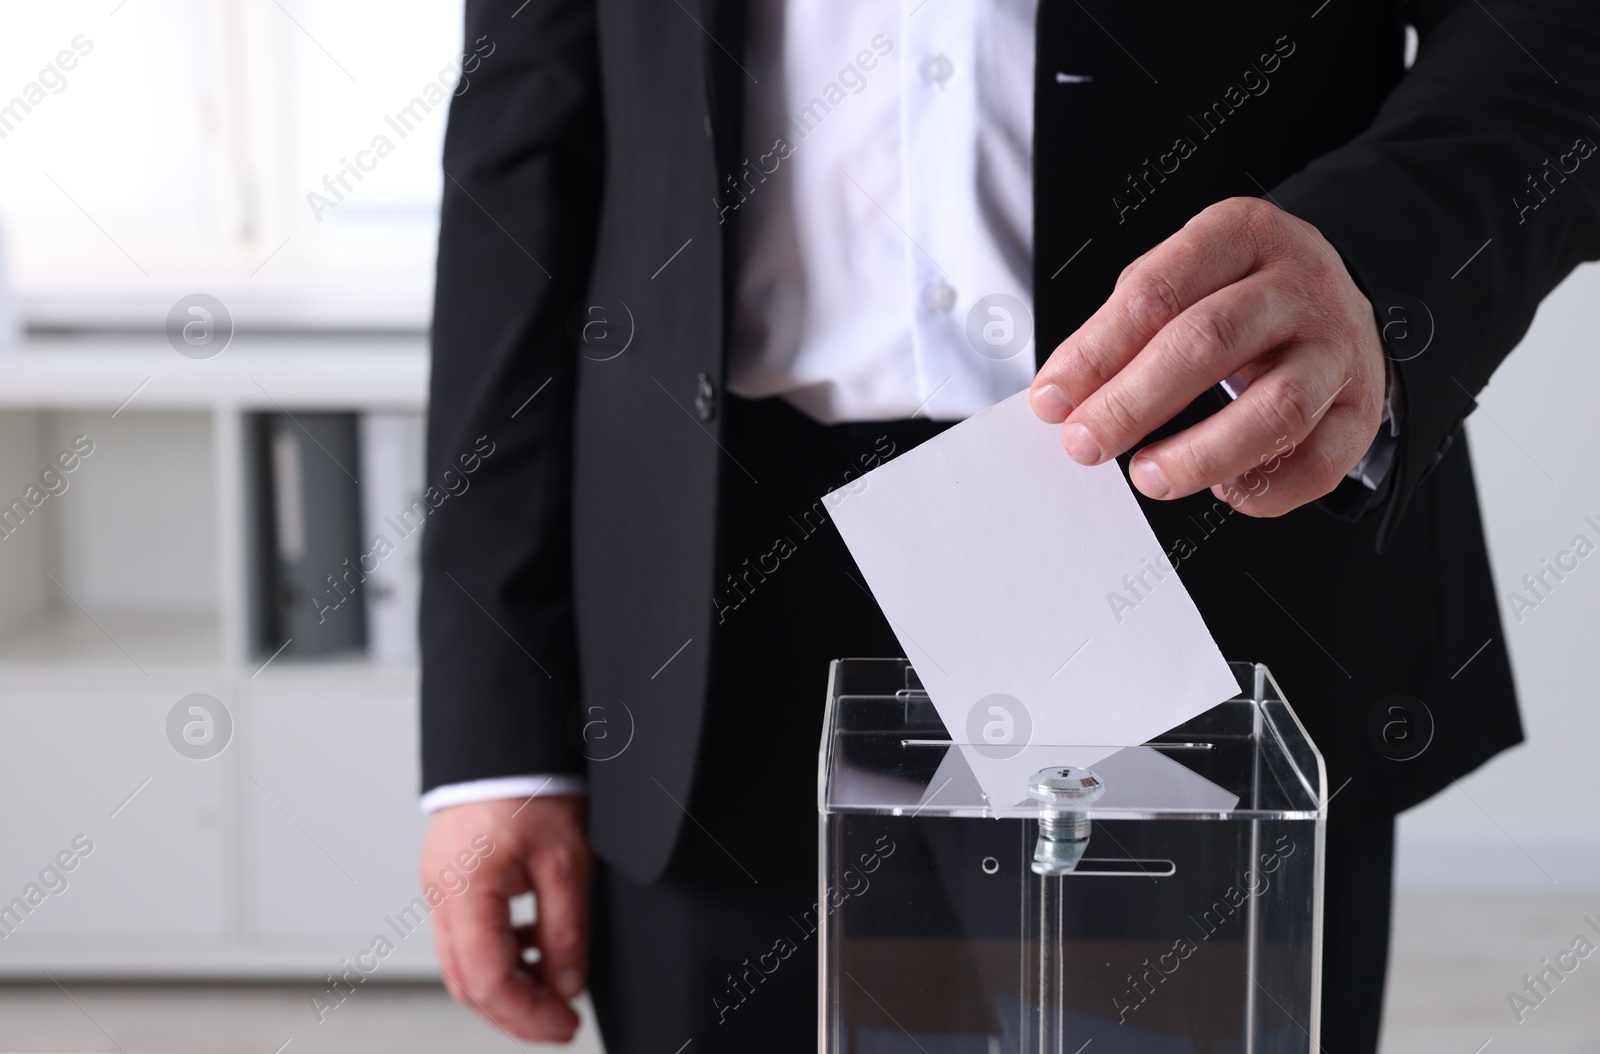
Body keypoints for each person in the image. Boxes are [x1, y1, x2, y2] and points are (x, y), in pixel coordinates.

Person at [416, 1, 1600, 1051]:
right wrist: (495, 725)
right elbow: (522, 149)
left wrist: (1372, 257)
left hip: (1202, 528)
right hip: (699, 613)